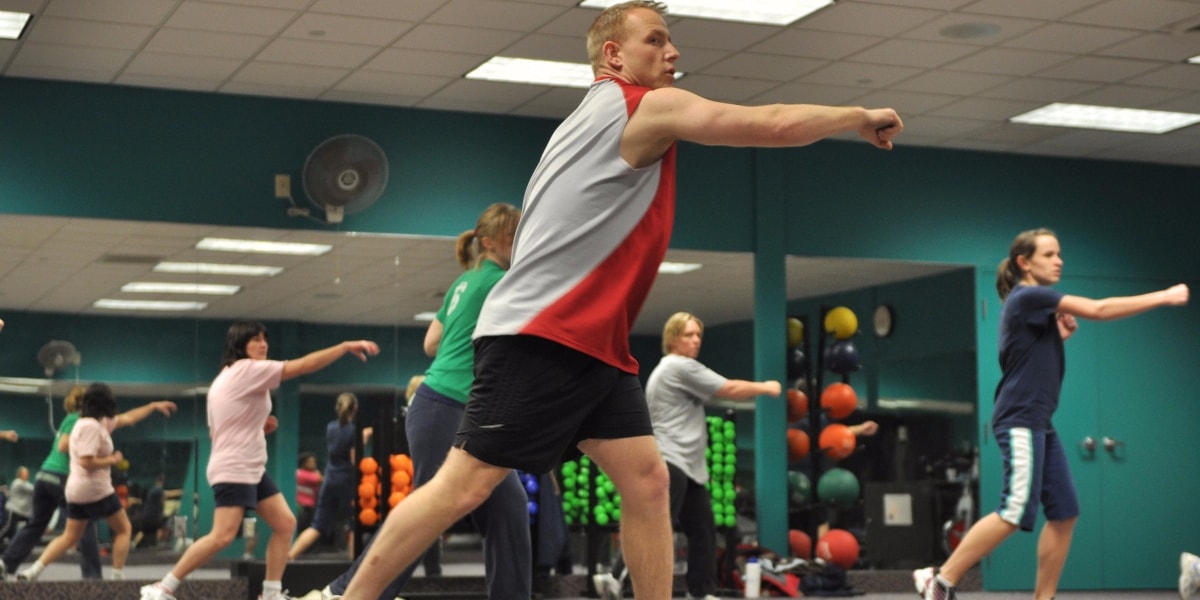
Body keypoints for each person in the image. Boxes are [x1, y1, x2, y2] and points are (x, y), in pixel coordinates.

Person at [338, 3, 902, 598]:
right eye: (656, 40)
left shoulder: (584, 122)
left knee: (649, 484)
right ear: (614, 56)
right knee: (462, 488)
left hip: (596, 347)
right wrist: (855, 115)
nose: (673, 52)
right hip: (541, 337)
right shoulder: (640, 105)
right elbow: (773, 123)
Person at [912, 228, 1189, 600]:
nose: (1059, 261)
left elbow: (1025, 357)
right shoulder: (1029, 296)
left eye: (1059, 254)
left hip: (1039, 422)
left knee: (1064, 512)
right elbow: (1099, 310)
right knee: (1013, 510)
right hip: (1020, 418)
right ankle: (940, 580)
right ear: (1024, 262)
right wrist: (1164, 296)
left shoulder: (1031, 306)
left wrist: (1056, 338)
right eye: (1049, 255)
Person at [300, 202, 529, 600]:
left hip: (452, 407)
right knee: (428, 514)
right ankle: (344, 593)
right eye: (514, 236)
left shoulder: (465, 283)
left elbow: (431, 343)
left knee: (509, 506)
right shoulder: (499, 283)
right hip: (446, 406)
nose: (522, 242)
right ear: (490, 242)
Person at [139, 322, 380, 600]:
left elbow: (219, 427)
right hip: (235, 467)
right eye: (255, 339)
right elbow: (301, 366)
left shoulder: (228, 375)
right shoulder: (247, 369)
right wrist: (344, 347)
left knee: (285, 523)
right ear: (240, 346)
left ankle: (271, 594)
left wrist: (257, 427)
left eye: (265, 339)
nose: (263, 344)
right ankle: (163, 587)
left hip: (250, 466)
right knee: (223, 536)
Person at [595, 312, 782, 600]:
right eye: (688, 335)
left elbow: (719, 394)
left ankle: (701, 591)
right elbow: (728, 388)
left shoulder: (674, 371)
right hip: (671, 461)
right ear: (673, 339)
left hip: (688, 466)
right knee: (656, 528)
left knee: (703, 530)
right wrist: (768, 387)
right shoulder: (678, 367)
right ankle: (624, 581)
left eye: (698, 336)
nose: (695, 341)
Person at [13, 383, 176, 581]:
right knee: (125, 529)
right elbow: (86, 461)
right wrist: (112, 460)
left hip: (76, 492)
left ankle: (33, 571)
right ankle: (117, 577)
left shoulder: (98, 423)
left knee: (70, 537)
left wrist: (153, 406)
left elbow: (129, 417)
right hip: (96, 490)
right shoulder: (89, 426)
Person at [1, 385, 103, 580]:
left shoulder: (69, 418)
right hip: (62, 477)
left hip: (44, 475)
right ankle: (93, 577)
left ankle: (5, 562)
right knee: (86, 522)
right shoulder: (81, 420)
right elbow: (64, 446)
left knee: (36, 525)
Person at [289, 393, 367, 560]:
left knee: (318, 525)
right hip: (347, 480)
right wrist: (363, 441)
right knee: (354, 523)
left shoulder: (330, 427)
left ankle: (291, 556)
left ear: (337, 409)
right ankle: (355, 567)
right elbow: (354, 459)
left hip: (330, 478)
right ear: (356, 409)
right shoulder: (354, 431)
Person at [0, 467, 33, 547]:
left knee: (31, 525)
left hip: (23, 512)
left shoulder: (25, 483)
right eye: (25, 473)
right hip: (14, 510)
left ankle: (29, 541)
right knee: (8, 527)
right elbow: (32, 489)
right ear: (20, 474)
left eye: (27, 473)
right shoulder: (17, 482)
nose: (27, 474)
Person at [295, 453, 322, 533]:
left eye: (314, 462)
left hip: (310, 507)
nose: (313, 464)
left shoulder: (310, 473)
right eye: (310, 461)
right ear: (304, 463)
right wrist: (317, 473)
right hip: (302, 507)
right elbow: (319, 479)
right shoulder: (300, 473)